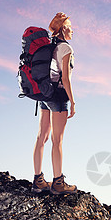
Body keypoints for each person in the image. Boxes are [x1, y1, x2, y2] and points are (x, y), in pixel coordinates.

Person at [31, 12, 77, 195]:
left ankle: (38, 181)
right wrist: (72, 101)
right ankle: (58, 183)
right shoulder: (66, 48)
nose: (73, 31)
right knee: (57, 140)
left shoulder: (50, 46)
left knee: (41, 137)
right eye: (71, 28)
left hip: (45, 93)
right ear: (64, 28)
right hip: (58, 95)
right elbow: (66, 78)